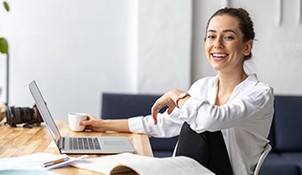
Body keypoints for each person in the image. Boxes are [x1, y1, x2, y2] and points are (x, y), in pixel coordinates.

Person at [80, 7, 274, 175]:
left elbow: (210, 119)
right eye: (211, 36)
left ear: (247, 47)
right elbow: (162, 124)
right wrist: (102, 124)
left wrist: (177, 94)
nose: (217, 44)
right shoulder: (202, 87)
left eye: (229, 37)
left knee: (199, 124)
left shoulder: (259, 93)